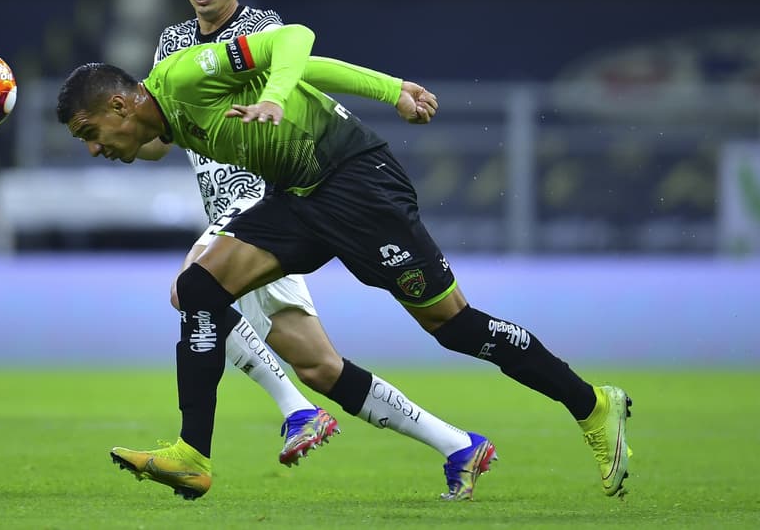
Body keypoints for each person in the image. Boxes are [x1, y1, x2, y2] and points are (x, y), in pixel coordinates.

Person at [56, 24, 632, 501]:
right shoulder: (165, 117)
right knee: (199, 288)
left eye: (90, 132)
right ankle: (192, 455)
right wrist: (392, 89)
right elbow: (308, 70)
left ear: (119, 105)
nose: (93, 148)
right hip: (299, 198)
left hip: (356, 183)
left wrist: (288, 97)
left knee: (454, 326)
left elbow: (295, 41)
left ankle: (593, 404)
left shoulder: (184, 75)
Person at [152, 0, 493, 497]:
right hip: (229, 212)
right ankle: (458, 444)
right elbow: (161, 133)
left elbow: (308, 66)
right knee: (319, 366)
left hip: (266, 201)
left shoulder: (260, 29)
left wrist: (388, 89)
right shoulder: (171, 44)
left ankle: (294, 411)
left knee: (191, 293)